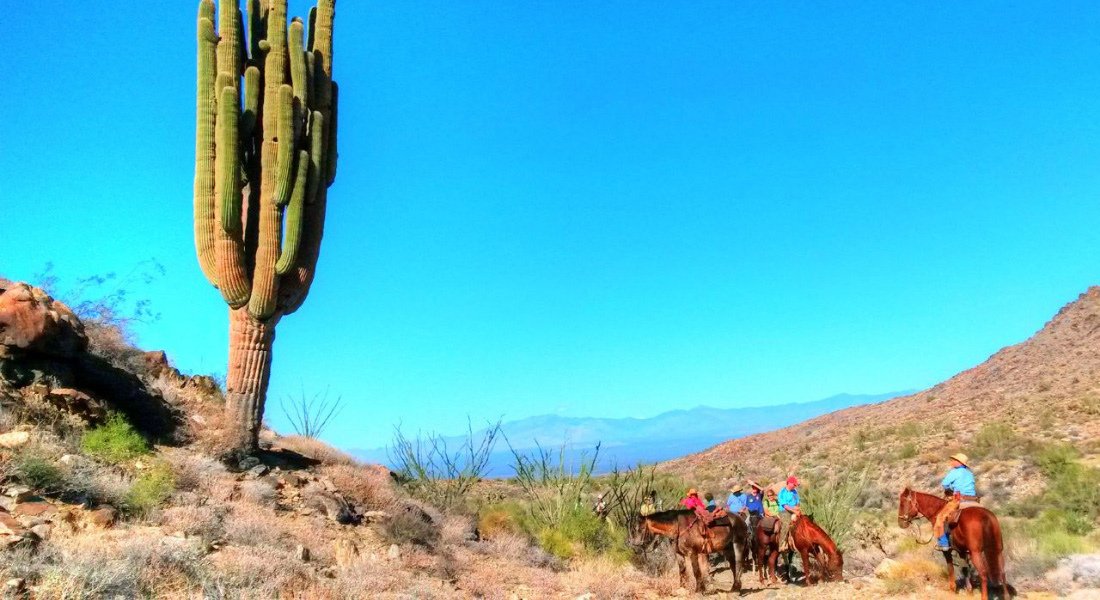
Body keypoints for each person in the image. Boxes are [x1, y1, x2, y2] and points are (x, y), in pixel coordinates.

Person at [935, 453, 978, 551]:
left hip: (959, 499)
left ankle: (944, 543)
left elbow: (945, 484)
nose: (952, 462)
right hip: (973, 499)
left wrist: (951, 488)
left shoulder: (955, 472)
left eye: (954, 460)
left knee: (941, 517)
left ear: (959, 462)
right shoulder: (970, 473)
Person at [777, 476, 801, 552]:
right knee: (786, 524)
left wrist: (797, 508)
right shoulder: (782, 492)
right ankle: (781, 544)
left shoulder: (794, 492)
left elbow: (798, 502)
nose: (795, 486)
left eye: (795, 485)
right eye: (794, 484)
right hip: (785, 511)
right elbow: (785, 506)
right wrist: (794, 511)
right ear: (789, 483)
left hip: (794, 510)